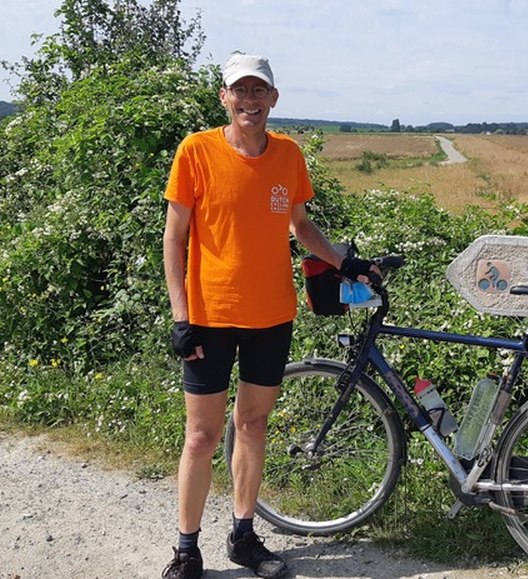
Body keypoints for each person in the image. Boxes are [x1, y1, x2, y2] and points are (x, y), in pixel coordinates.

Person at [161, 52, 379, 579]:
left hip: (271, 315)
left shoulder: (287, 155)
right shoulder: (197, 151)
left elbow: (300, 226)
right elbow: (175, 237)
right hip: (209, 317)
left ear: (273, 99)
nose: (250, 100)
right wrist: (180, 315)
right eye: (241, 91)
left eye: (260, 91)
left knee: (253, 424)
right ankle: (186, 550)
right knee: (201, 435)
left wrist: (343, 261)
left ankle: (243, 535)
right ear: (225, 98)